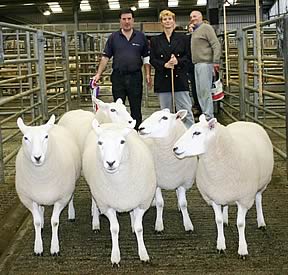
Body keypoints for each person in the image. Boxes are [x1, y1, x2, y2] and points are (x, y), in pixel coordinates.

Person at [92, 8, 151, 130]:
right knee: (117, 109)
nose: (127, 21)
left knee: (136, 108)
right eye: (124, 19)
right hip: (118, 77)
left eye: (129, 19)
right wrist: (98, 74)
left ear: (133, 20)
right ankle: (119, 132)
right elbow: (105, 57)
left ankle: (135, 134)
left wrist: (148, 74)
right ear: (120, 21)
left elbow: (146, 57)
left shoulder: (141, 37)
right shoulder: (113, 37)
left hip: (135, 77)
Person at [150, 10, 194, 128]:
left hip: (180, 79)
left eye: (170, 19)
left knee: (185, 111)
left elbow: (189, 58)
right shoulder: (155, 40)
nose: (167, 21)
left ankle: (189, 133)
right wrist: (165, 65)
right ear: (161, 22)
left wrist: (177, 61)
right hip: (163, 81)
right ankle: (167, 135)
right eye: (165, 19)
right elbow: (152, 60)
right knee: (165, 113)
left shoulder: (184, 39)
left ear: (174, 21)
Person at [189, 10, 221, 120]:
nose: (193, 18)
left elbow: (216, 44)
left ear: (201, 17)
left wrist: (216, 61)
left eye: (195, 16)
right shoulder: (195, 30)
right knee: (199, 91)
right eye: (191, 17)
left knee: (205, 90)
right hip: (197, 64)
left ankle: (208, 116)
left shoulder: (206, 28)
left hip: (205, 63)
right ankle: (205, 113)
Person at [186, 22, 201, 116]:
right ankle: (197, 106)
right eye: (190, 27)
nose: (191, 29)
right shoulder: (187, 39)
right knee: (195, 88)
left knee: (204, 89)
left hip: (202, 64)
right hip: (191, 66)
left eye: (193, 27)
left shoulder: (201, 38)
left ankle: (204, 109)